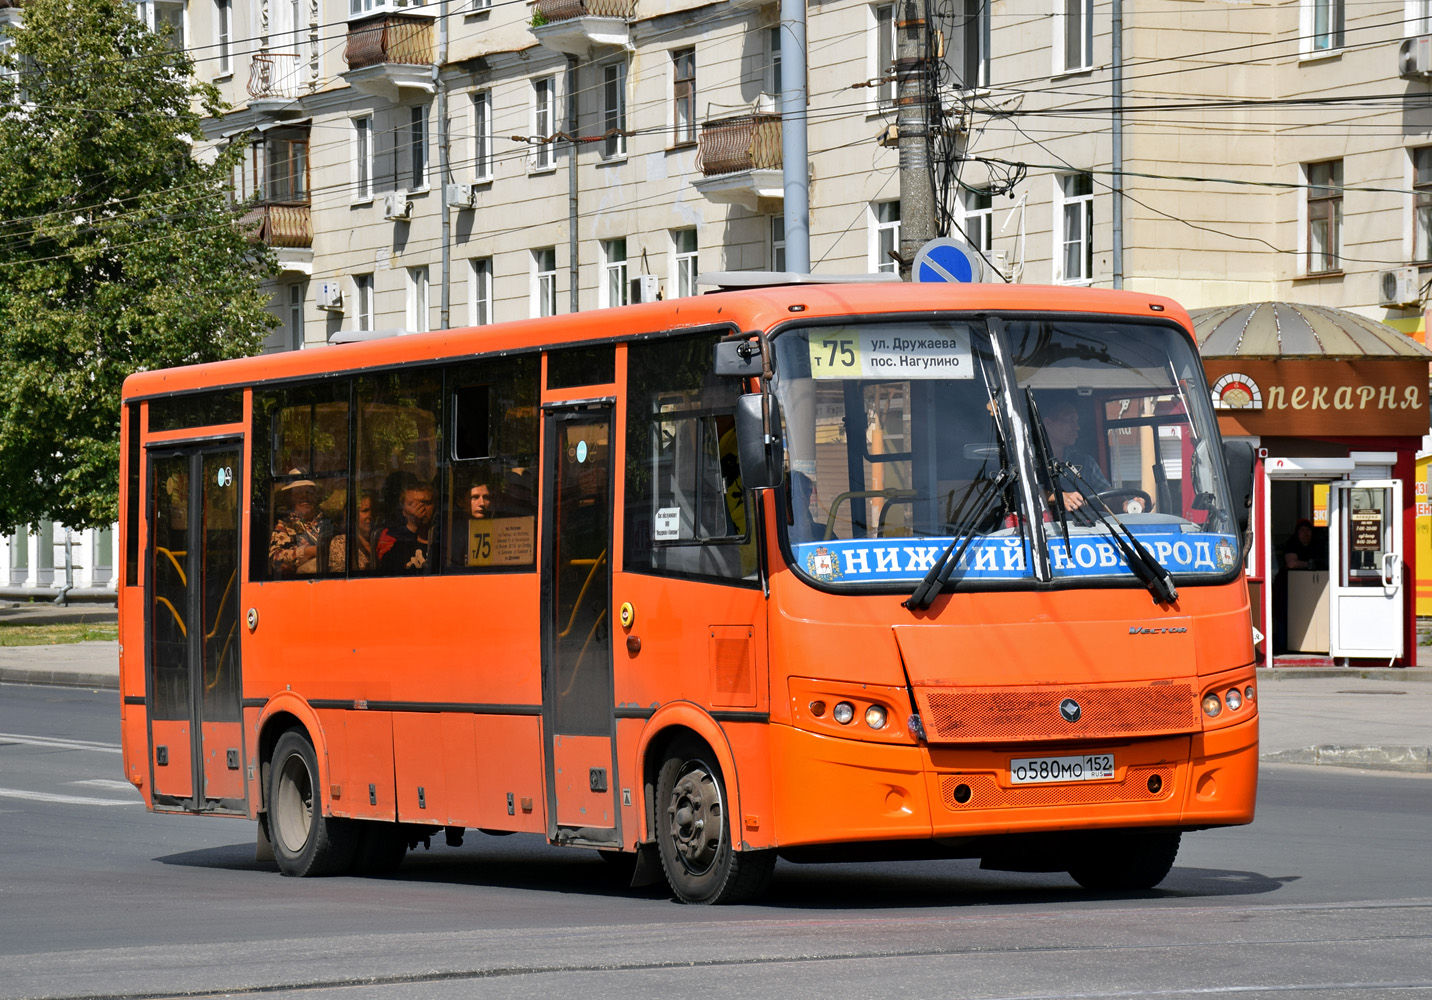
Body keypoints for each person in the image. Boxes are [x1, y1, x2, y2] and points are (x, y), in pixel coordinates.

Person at [1043, 398, 1111, 511]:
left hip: (1086, 527)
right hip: (1045, 528)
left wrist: (1127, 502)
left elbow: (1107, 494)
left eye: (1076, 422)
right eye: (1070, 421)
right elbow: (1025, 494)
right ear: (1048, 423)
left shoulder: (1086, 463)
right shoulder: (1029, 463)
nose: (1077, 427)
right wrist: (1058, 497)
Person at [268, 471, 332, 577]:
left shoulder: (329, 522)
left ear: (315, 496)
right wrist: (309, 552)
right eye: (299, 493)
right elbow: (275, 558)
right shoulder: (285, 526)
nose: (305, 498)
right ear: (291, 498)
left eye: (309, 493)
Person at [1272, 518, 1320, 654]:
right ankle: (1283, 647)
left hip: (1309, 588)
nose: (1306, 534)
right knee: (1283, 614)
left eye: (1308, 530)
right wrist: (1308, 564)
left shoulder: (1316, 545)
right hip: (1287, 585)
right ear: (1297, 533)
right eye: (1302, 530)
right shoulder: (1292, 544)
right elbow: (1291, 564)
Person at [375, 477, 436, 573]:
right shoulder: (393, 536)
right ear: (403, 510)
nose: (420, 508)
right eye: (413, 504)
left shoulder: (442, 537)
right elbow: (387, 569)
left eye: (426, 503)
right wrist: (413, 525)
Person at [329, 490, 378, 573]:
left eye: (372, 510)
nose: (370, 515)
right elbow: (341, 576)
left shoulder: (381, 539)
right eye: (365, 511)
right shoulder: (342, 542)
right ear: (353, 515)